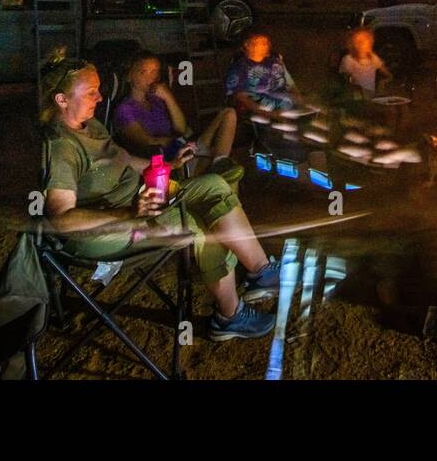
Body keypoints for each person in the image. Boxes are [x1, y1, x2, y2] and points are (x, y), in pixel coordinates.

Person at [39, 55, 280, 341]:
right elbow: (62, 220)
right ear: (62, 100)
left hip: (138, 204)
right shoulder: (61, 147)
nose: (101, 97)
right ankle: (230, 314)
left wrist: (171, 166)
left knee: (214, 183)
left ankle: (260, 273)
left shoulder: (91, 127)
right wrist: (128, 213)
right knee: (199, 222)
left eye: (99, 89)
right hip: (104, 232)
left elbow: (127, 158)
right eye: (91, 92)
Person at [114, 51, 239, 177]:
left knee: (229, 113)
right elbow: (148, 141)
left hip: (184, 145)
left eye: (155, 72)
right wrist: (179, 142)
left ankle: (219, 162)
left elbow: (181, 128)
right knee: (223, 168)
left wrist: (168, 97)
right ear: (129, 76)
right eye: (144, 72)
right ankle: (217, 165)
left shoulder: (156, 99)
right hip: (171, 157)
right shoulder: (125, 109)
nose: (152, 78)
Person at [224, 31, 303, 115]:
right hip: (260, 107)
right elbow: (241, 96)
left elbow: (291, 85)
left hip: (283, 102)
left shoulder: (275, 62)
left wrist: (299, 100)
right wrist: (263, 112)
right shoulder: (241, 67)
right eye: (260, 42)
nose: (266, 45)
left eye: (266, 42)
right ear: (248, 45)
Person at [338, 27, 391, 99]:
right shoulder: (348, 59)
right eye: (358, 40)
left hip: (371, 97)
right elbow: (344, 81)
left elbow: (388, 74)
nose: (362, 43)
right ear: (353, 43)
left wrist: (384, 82)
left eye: (365, 39)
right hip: (355, 98)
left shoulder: (373, 58)